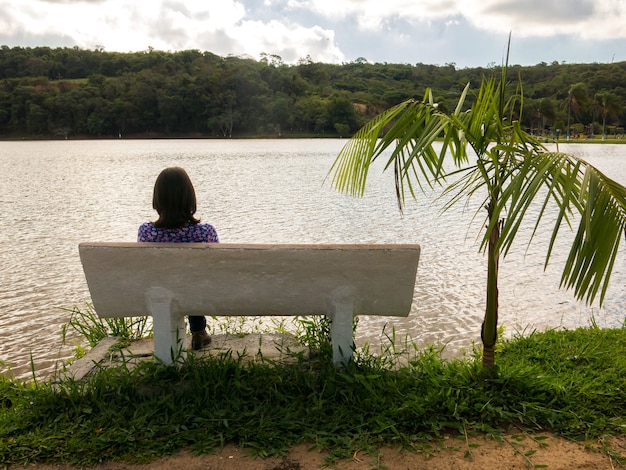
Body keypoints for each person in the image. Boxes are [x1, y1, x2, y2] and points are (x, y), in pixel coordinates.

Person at [137, 167, 219, 350]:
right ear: (190, 198)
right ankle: (198, 332)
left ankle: (173, 337)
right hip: (197, 292)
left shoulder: (146, 232)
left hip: (160, 291)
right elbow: (214, 269)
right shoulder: (205, 232)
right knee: (192, 282)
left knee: (171, 284)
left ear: (157, 199)